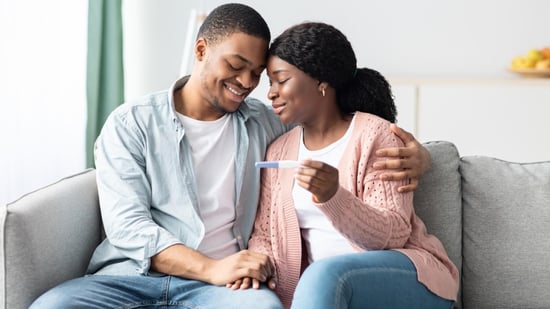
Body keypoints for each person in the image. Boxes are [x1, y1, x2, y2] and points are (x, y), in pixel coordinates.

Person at [31, 4, 430, 309]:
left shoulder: (267, 126)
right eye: (237, 66)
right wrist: (210, 267)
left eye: (257, 73)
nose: (247, 84)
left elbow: (337, 131)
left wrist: (421, 154)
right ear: (201, 49)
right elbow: (128, 227)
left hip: (224, 289)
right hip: (132, 276)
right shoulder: (131, 124)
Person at [237, 22, 459, 309]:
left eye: (281, 80)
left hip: (406, 276)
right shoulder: (279, 149)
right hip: (328, 293)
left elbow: (393, 233)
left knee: (324, 273)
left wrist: (333, 196)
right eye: (270, 82)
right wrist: (256, 264)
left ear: (321, 81)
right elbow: (266, 234)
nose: (270, 93)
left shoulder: (375, 136)